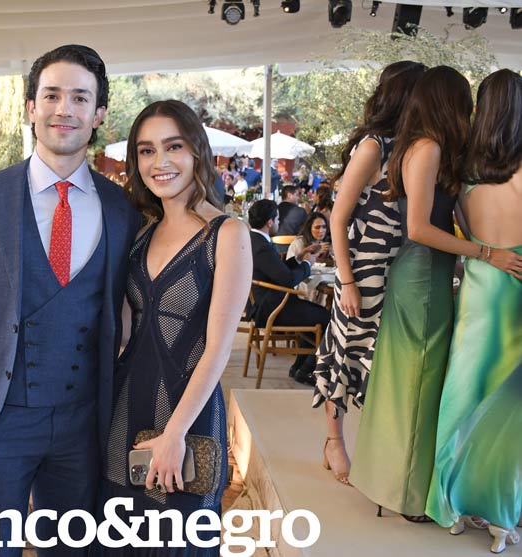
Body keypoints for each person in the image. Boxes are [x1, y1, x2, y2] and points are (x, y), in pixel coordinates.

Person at [0, 44, 141, 557]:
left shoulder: (123, 209)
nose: (64, 109)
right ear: (31, 107)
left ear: (98, 114)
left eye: (80, 98)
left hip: (83, 426)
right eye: (52, 95)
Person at [350, 66, 522, 522]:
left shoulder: (441, 156)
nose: (470, 113)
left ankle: (407, 487)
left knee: (424, 384)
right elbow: (419, 228)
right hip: (426, 276)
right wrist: (486, 252)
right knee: (420, 383)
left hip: (439, 276)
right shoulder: (428, 149)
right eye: (464, 103)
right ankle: (413, 495)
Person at [99, 99, 251, 554]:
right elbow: (126, 331)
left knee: (180, 541)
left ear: (197, 151)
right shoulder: (140, 232)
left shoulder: (227, 234)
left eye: (173, 147)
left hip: (189, 417)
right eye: (146, 151)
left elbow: (218, 349)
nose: (159, 162)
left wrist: (174, 433)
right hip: (126, 410)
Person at [311, 61, 426, 485]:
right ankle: (334, 440)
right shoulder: (374, 146)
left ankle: (374, 448)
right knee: (346, 351)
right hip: (363, 270)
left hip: (398, 269)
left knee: (382, 359)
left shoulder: (411, 147)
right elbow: (337, 217)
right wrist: (346, 281)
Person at [425, 69, 522, 552]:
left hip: (478, 288)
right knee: (509, 404)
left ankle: (452, 503)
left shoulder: (463, 172)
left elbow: (462, 230)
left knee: (464, 388)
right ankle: (502, 513)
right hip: (516, 285)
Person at [248, 199, 328, 385]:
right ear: (270, 222)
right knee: (327, 318)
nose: (278, 222)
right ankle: (306, 369)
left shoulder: (255, 240)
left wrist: (299, 257)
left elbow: (278, 271)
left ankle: (299, 367)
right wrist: (307, 263)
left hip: (269, 303)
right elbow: (288, 280)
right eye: (277, 219)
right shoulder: (261, 246)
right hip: (273, 308)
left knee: (314, 313)